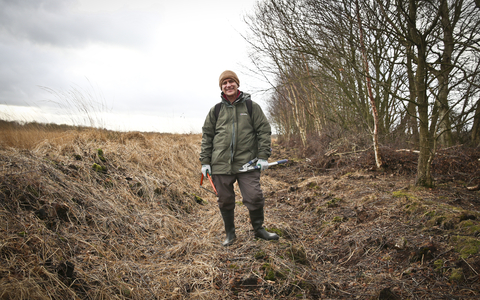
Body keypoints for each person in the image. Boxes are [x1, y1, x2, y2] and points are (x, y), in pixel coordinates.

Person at [200, 70, 279, 246]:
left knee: (254, 196)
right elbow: (207, 137)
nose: (228, 85)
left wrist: (263, 156)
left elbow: (264, 131)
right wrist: (205, 162)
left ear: (237, 84)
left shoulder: (252, 107)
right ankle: (230, 234)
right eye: (224, 83)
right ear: (221, 87)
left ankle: (259, 230)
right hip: (220, 164)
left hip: (248, 163)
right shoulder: (216, 110)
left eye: (231, 82)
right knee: (225, 200)